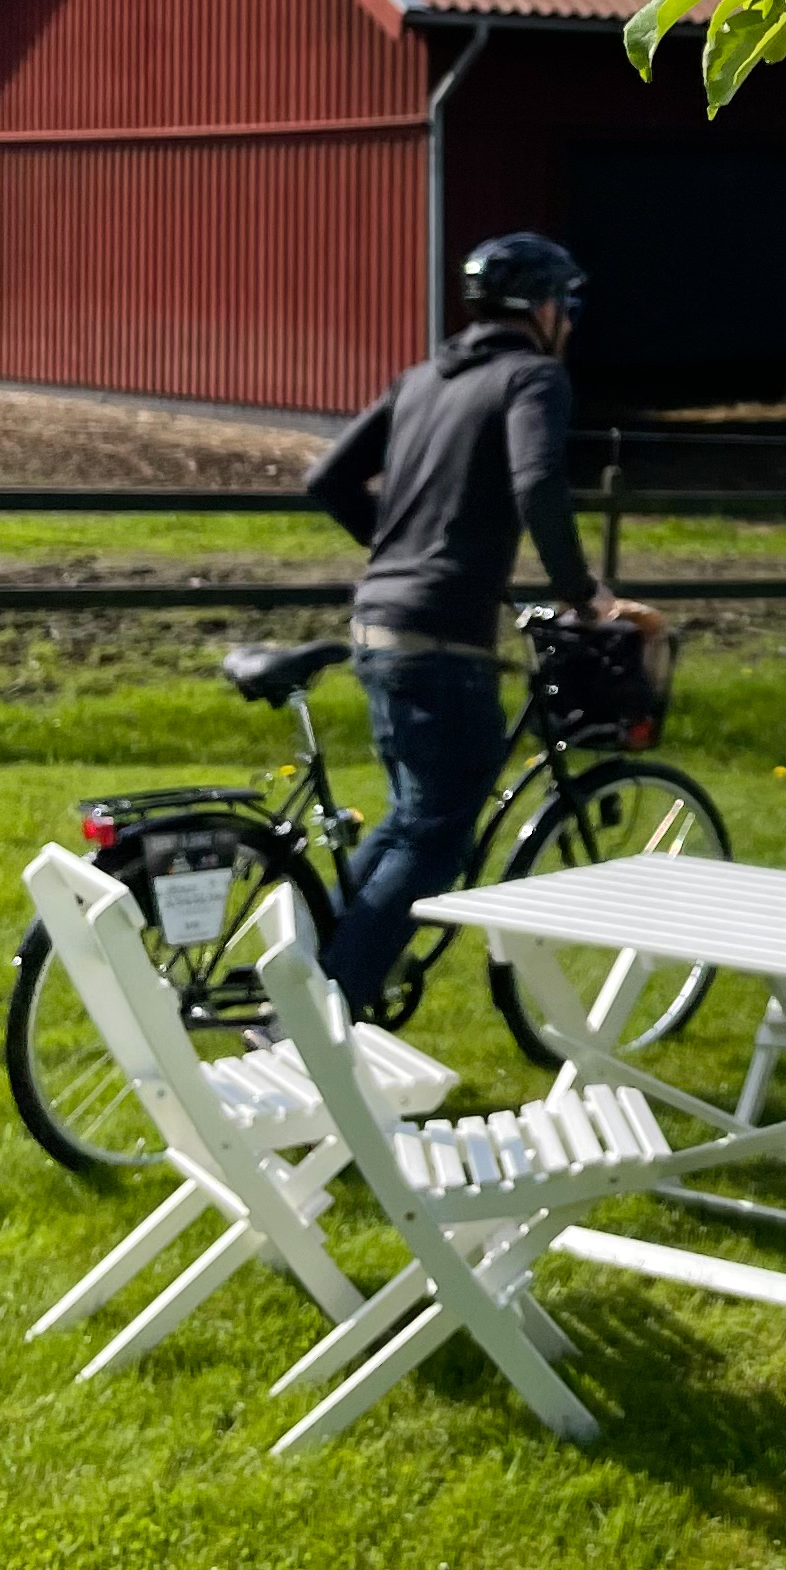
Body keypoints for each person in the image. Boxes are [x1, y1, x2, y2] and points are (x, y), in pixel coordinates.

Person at [301, 231, 655, 1007]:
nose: (572, 319)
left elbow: (327, 478)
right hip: (438, 642)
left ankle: (300, 983)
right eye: (570, 303)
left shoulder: (423, 377)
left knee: (408, 821)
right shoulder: (533, 377)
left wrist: (405, 555)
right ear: (543, 308)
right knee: (435, 838)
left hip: (376, 624)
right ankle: (319, 1015)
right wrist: (584, 594)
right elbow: (538, 485)